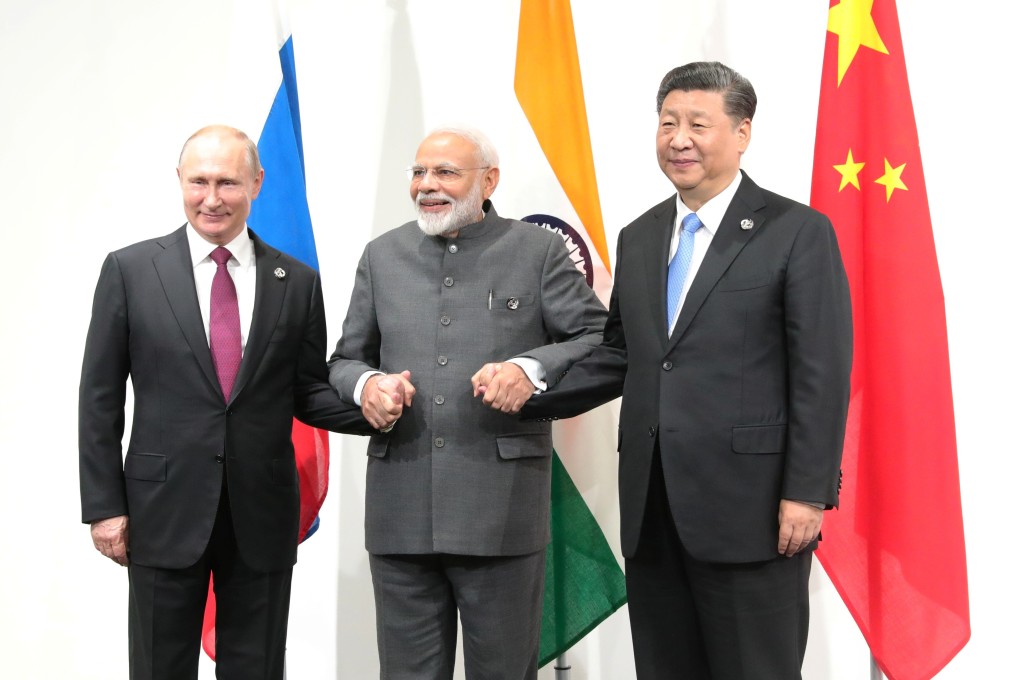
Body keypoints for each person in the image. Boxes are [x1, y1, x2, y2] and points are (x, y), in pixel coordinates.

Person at [517, 62, 853, 679]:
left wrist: (806, 492)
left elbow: (822, 374)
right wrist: (527, 386)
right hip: (652, 510)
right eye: (668, 122)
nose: (679, 139)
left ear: (743, 132)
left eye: (699, 123)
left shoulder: (797, 231)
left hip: (754, 512)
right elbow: (622, 354)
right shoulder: (640, 235)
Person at [79, 125, 371, 679]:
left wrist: (377, 409)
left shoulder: (298, 281)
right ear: (180, 182)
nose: (212, 198)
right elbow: (99, 397)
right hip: (159, 514)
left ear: (257, 183)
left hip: (260, 517)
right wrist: (104, 506)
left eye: (228, 183)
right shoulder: (130, 270)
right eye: (199, 182)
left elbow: (307, 391)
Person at [327, 126, 607, 680]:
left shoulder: (539, 251)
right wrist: (367, 387)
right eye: (418, 172)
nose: (427, 185)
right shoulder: (381, 256)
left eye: (446, 173)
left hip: (500, 509)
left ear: (489, 181)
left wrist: (530, 369)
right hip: (400, 511)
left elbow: (597, 337)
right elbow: (344, 360)